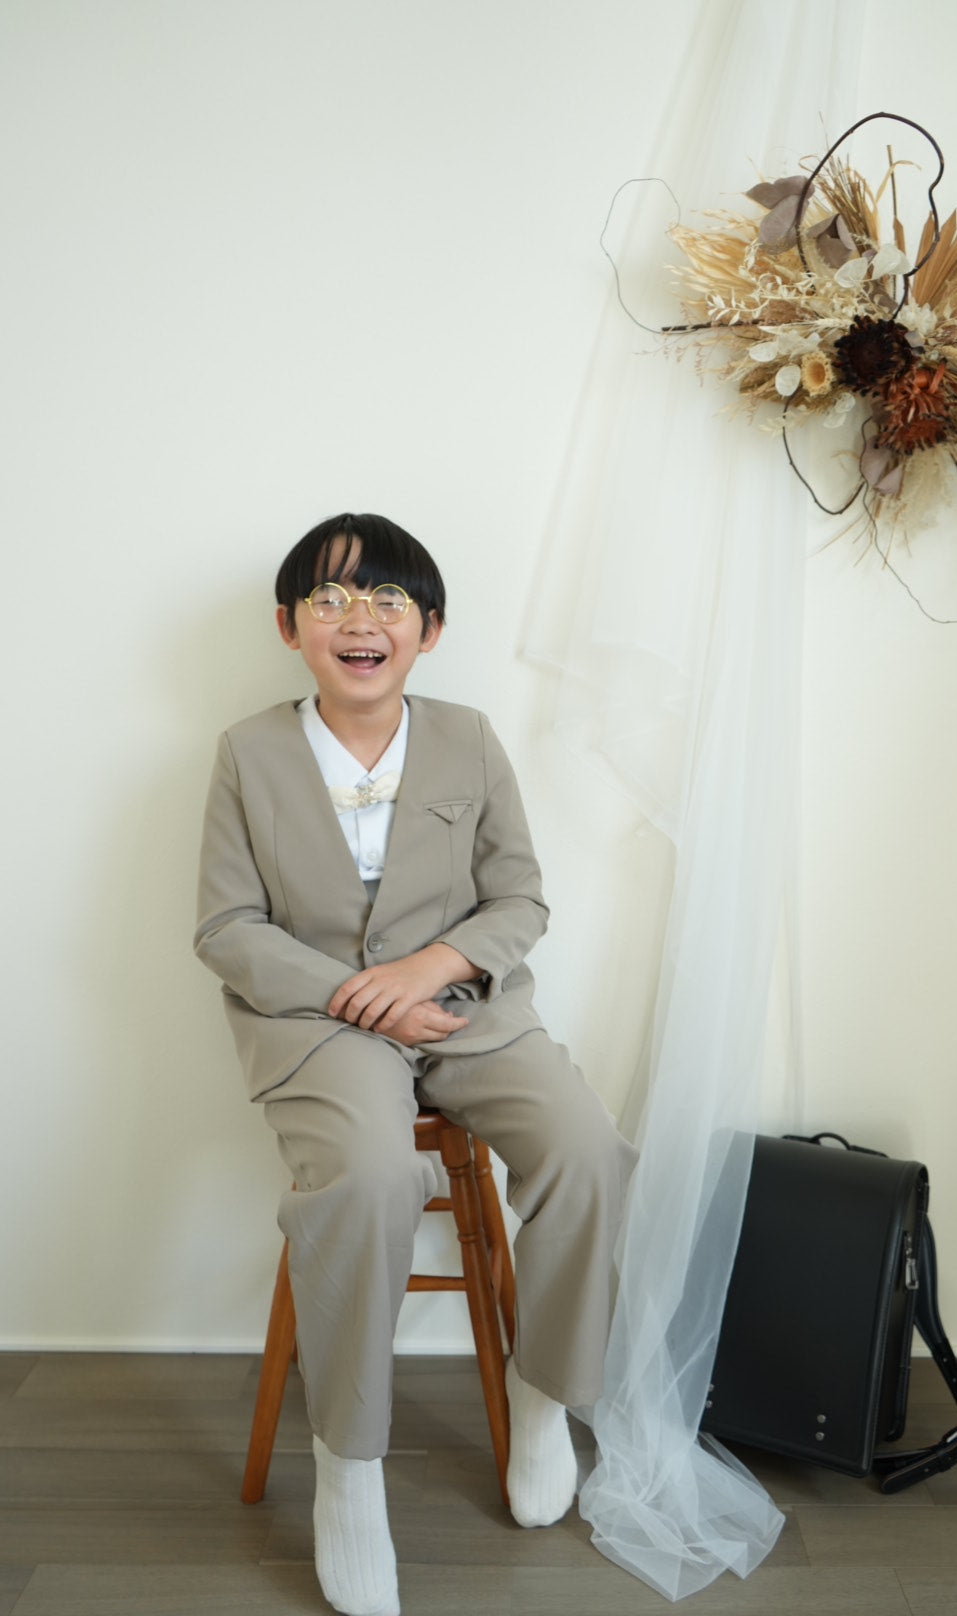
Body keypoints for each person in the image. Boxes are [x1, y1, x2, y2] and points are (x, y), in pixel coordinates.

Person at [194, 512, 636, 1616]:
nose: (361, 620)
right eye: (332, 599)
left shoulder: (470, 739)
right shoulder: (248, 751)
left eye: (389, 599)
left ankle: (544, 1391)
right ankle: (348, 1469)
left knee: (588, 1148)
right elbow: (227, 927)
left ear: (429, 630)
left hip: (466, 1014)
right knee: (372, 1177)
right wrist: (356, 994)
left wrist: (431, 969)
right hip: (321, 1027)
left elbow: (520, 897)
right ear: (290, 625)